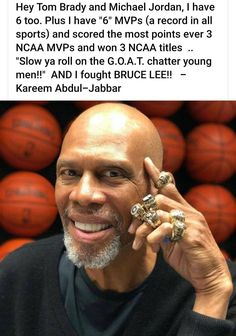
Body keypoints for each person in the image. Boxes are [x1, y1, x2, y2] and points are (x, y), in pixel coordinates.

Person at [0, 102, 236, 336]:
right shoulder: (19, 275)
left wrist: (211, 292)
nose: (83, 194)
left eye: (113, 174)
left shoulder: (220, 285)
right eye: (70, 173)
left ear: (156, 187)